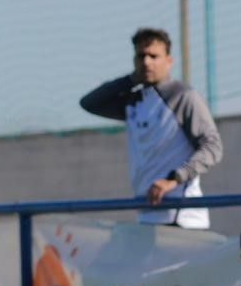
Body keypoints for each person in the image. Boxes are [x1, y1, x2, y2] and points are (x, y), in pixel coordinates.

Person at [79, 28, 222, 229]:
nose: (146, 62)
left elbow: (213, 147)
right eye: (141, 56)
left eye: (154, 56)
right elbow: (89, 103)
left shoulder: (183, 96)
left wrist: (173, 180)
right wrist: (130, 80)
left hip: (181, 216)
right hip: (147, 214)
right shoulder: (134, 101)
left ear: (169, 61)